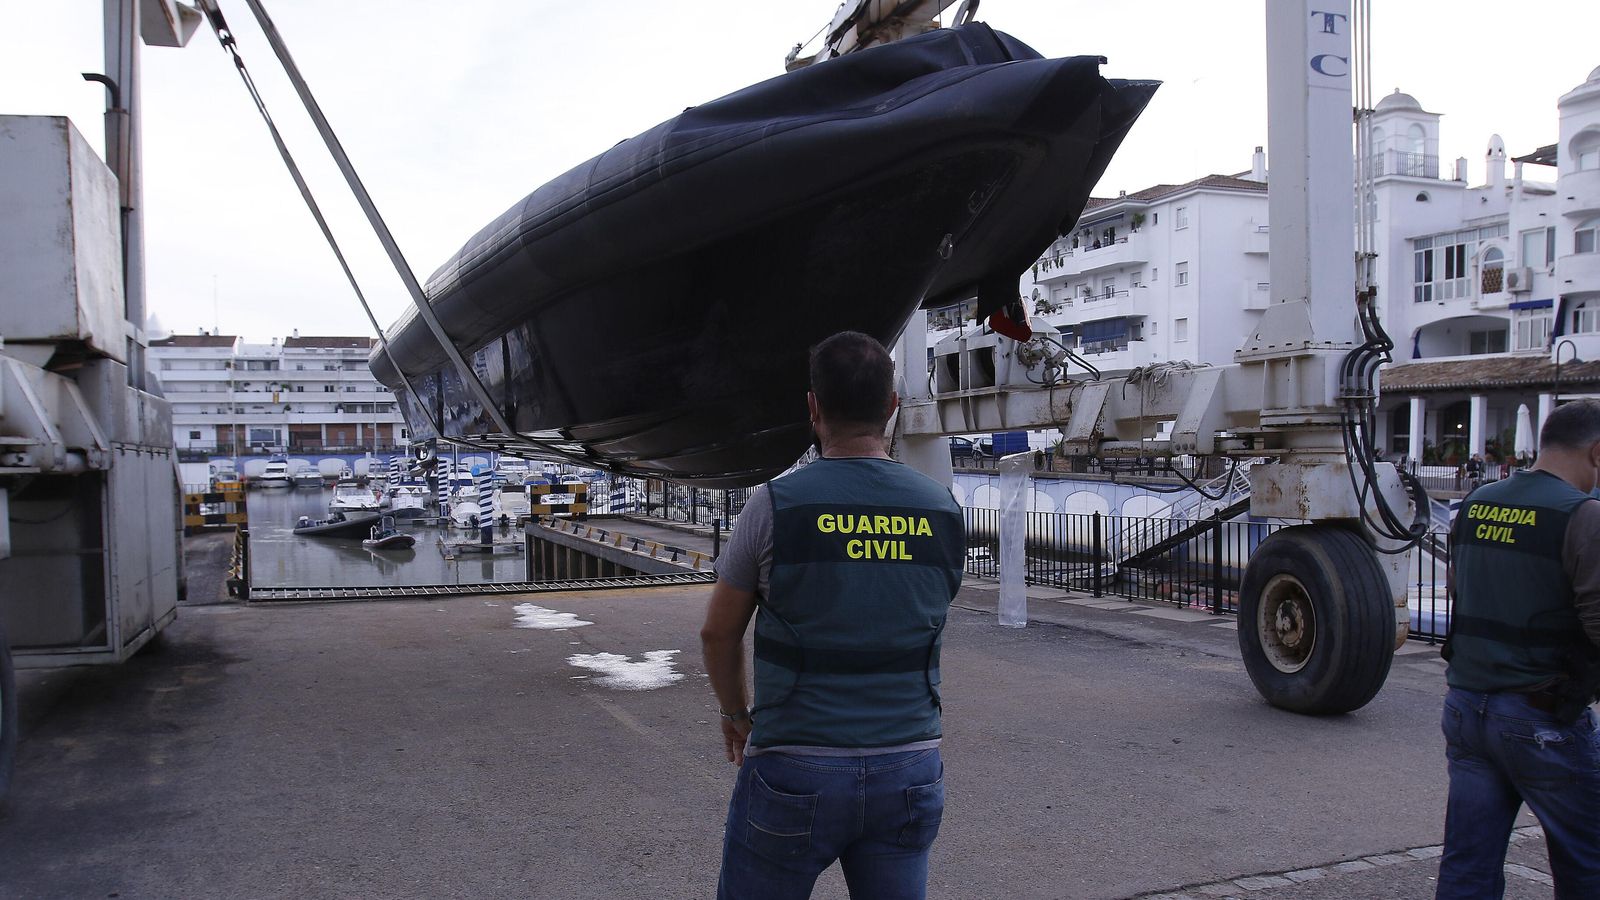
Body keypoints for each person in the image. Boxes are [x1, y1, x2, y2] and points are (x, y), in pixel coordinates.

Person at [701, 331, 966, 900]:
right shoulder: (942, 510)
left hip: (796, 767)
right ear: (892, 406)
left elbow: (718, 631)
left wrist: (735, 714)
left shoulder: (773, 505)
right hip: (910, 768)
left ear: (813, 407)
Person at [1437, 399, 1600, 899]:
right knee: (1587, 862)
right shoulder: (1582, 516)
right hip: (1541, 715)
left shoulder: (1478, 501)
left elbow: (1456, 587)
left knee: (1469, 865)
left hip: (1466, 707)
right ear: (1596, 452)